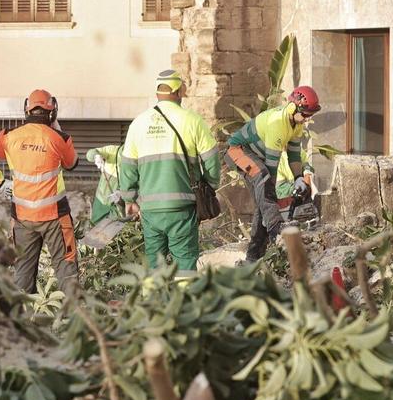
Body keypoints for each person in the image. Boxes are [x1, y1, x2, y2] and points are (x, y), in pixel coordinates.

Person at [0, 89, 80, 299]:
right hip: (55, 217)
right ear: (52, 112)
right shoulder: (59, 138)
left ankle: (22, 318)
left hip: (22, 217)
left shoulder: (10, 137)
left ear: (27, 109)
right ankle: (74, 317)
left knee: (23, 268)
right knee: (65, 266)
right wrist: (57, 129)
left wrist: (0, 183)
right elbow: (72, 164)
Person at [119, 70, 220, 276]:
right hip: (182, 207)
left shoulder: (138, 123)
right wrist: (210, 186)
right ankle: (183, 306)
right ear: (177, 91)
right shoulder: (192, 120)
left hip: (150, 209)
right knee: (185, 262)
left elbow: (127, 165)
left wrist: (130, 199)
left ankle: (153, 305)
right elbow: (211, 159)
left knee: (154, 266)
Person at [227, 86, 321, 263]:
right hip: (238, 150)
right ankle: (276, 233)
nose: (308, 118)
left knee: (263, 201)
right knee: (264, 180)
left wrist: (298, 177)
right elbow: (271, 168)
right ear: (293, 107)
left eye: (310, 115)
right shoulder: (278, 122)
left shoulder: (296, 123)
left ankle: (254, 255)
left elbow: (293, 153)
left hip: (257, 157)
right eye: (306, 114)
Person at [86, 144, 124, 225]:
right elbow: (89, 154)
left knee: (116, 228)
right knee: (95, 226)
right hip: (102, 200)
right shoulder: (112, 150)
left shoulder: (137, 158)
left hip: (121, 203)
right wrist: (96, 156)